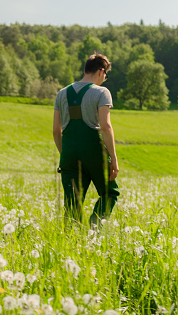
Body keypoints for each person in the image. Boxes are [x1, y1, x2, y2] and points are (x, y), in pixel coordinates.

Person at [53, 53, 120, 227]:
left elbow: (55, 130)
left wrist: (66, 154)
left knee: (72, 204)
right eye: (105, 75)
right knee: (109, 193)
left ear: (85, 69)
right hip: (93, 152)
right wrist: (113, 158)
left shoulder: (62, 94)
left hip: (68, 153)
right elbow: (105, 126)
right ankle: (94, 229)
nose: (104, 79)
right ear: (100, 71)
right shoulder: (101, 92)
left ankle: (71, 243)